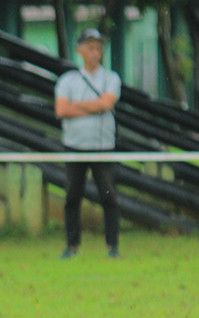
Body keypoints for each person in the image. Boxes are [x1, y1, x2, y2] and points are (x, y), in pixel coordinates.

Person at [54, 28, 122, 259]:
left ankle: (112, 247)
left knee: (108, 196)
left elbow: (106, 103)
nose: (95, 52)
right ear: (80, 51)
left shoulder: (111, 78)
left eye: (98, 48)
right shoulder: (67, 81)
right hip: (74, 146)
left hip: (102, 148)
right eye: (90, 48)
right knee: (73, 196)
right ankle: (72, 246)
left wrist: (78, 108)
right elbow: (61, 110)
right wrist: (94, 106)